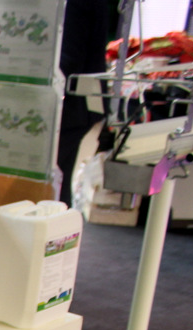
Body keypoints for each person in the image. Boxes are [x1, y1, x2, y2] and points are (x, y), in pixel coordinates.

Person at [58, 0, 120, 204]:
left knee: (52, 176)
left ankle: (58, 220)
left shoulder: (75, 4)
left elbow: (69, 58)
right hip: (81, 102)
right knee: (59, 177)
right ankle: (61, 219)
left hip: (71, 104)